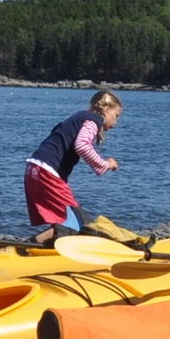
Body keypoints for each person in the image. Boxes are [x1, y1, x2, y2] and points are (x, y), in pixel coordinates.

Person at [24, 90, 122, 243]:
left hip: (33, 169)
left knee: (66, 218)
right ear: (106, 109)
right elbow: (82, 145)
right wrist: (105, 164)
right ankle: (26, 247)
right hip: (46, 171)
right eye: (116, 116)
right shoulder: (93, 119)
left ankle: (45, 247)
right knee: (77, 222)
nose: (116, 123)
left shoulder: (77, 118)